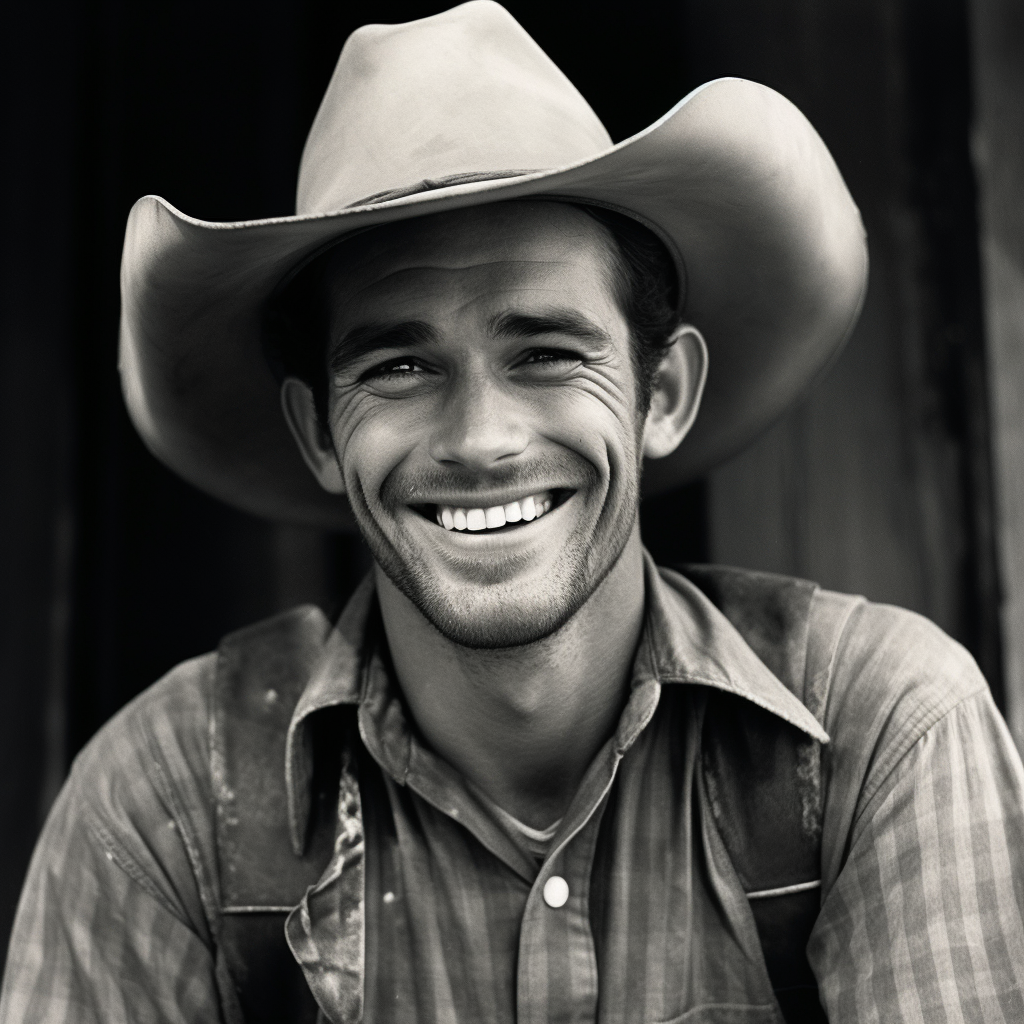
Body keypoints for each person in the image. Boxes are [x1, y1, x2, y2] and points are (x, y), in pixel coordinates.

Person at [3, 3, 1024, 1022]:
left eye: (545, 352)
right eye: (399, 367)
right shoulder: (168, 806)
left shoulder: (880, 732)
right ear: (319, 432)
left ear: (659, 395)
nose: (481, 438)